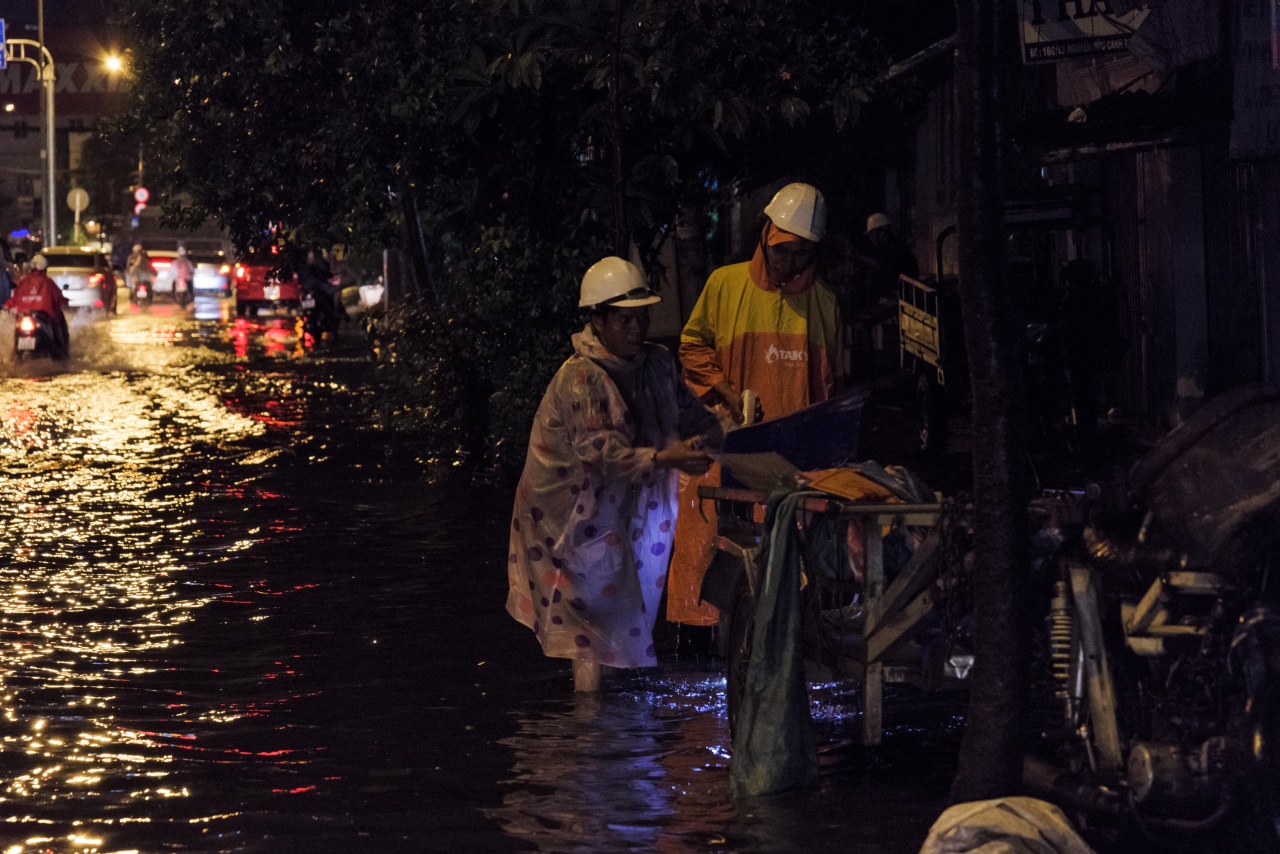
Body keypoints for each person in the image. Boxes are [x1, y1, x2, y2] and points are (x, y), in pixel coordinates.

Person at [506, 256, 722, 692]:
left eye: (642, 317)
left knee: (623, 610)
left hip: (629, 504)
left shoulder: (657, 364)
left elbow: (694, 416)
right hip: (572, 516)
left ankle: (608, 712)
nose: (636, 328)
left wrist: (734, 433)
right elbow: (602, 455)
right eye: (625, 319)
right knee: (589, 625)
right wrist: (669, 458)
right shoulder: (580, 378)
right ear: (598, 320)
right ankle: (591, 718)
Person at [666, 182, 843, 640]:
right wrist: (727, 392)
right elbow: (692, 348)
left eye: (801, 253)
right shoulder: (725, 285)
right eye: (782, 250)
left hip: (791, 458)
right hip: (725, 442)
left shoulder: (824, 303)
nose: (789, 261)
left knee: (787, 557)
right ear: (765, 234)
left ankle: (779, 639)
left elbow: (831, 389)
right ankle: (698, 639)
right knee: (706, 539)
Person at [848, 212, 918, 377]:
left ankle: (880, 364)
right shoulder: (884, 248)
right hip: (893, 294)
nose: (872, 239)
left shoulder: (895, 248)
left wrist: (859, 259)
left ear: (882, 232)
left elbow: (883, 266)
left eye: (874, 235)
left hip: (902, 294)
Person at [6, 254, 70, 358]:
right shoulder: (48, 282)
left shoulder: (23, 282)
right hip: (43, 318)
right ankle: (63, 352)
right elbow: (58, 298)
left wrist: (6, 306)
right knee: (59, 319)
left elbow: (14, 299)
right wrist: (65, 301)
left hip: (24, 317)